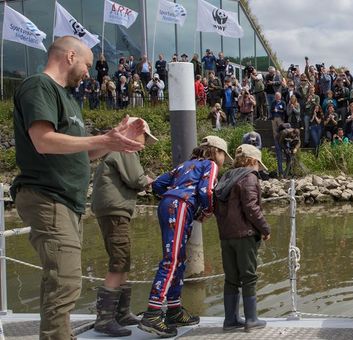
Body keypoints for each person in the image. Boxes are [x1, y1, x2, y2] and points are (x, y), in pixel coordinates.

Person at [11, 36, 146, 340]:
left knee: (64, 280)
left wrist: (115, 141)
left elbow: (81, 152)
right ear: (70, 56)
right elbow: (43, 141)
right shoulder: (39, 86)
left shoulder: (70, 99)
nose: (90, 72)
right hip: (48, 196)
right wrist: (103, 140)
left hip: (68, 202)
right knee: (66, 281)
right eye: (87, 64)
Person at [140, 136, 231, 337]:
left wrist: (174, 193)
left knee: (178, 259)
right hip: (181, 207)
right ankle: (153, 313)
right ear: (216, 151)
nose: (224, 159)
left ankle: (173, 309)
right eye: (224, 154)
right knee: (172, 260)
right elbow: (206, 190)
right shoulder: (210, 164)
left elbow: (157, 185)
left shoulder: (184, 165)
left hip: (168, 204)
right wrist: (207, 211)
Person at [91, 118, 158, 336]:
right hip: (115, 211)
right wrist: (152, 180)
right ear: (135, 131)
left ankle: (121, 312)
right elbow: (136, 179)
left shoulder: (114, 149)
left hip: (111, 210)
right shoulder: (124, 148)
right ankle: (105, 319)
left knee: (124, 259)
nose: (145, 141)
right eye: (145, 136)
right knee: (119, 261)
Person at [213, 144, 271, 332]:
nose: (258, 169)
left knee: (231, 278)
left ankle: (230, 320)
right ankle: (251, 320)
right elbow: (251, 208)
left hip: (226, 235)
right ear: (253, 161)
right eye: (258, 165)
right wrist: (265, 228)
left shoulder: (226, 176)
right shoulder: (249, 177)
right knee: (249, 277)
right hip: (244, 234)